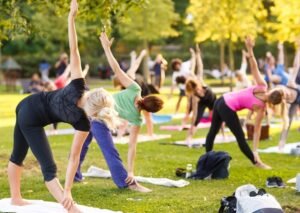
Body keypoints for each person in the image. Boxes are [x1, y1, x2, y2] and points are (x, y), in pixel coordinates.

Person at [7, 1, 117, 212]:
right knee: (49, 169)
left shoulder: (79, 86)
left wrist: (71, 17)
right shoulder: (83, 119)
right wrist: (67, 193)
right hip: (31, 114)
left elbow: (74, 48)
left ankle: (16, 198)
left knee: (18, 155)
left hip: (29, 105)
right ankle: (70, 209)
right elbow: (73, 158)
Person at [75, 32, 164, 192]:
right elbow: (132, 147)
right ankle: (127, 183)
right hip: (96, 114)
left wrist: (107, 48)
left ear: (148, 96)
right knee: (109, 151)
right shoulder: (137, 119)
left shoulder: (135, 88)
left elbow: (116, 69)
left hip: (91, 106)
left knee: (83, 144)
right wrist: (131, 171)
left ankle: (74, 175)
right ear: (149, 111)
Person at [205, 36, 284, 169]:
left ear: (272, 92)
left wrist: (250, 49)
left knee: (213, 131)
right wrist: (255, 150)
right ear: (272, 103)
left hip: (220, 100)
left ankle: (207, 160)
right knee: (240, 137)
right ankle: (257, 163)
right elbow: (257, 131)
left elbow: (254, 67)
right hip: (227, 106)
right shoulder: (261, 108)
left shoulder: (262, 86)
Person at [184, 45, 223, 147]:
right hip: (203, 102)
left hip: (212, 99)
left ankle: (223, 134)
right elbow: (195, 113)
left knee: (219, 115)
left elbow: (200, 67)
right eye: (194, 91)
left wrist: (198, 54)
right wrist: (193, 122)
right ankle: (189, 138)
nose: (197, 91)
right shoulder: (195, 97)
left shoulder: (200, 81)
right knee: (196, 121)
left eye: (196, 89)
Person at [276, 41, 300, 150]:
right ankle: (282, 142)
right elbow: (286, 120)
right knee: (289, 120)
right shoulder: (285, 100)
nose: (287, 94)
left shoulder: (291, 83)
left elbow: (296, 65)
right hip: (296, 100)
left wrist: (298, 49)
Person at [169, 48, 196, 113]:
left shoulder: (185, 65)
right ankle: (176, 112)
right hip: (182, 88)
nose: (177, 66)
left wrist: (192, 53)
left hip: (189, 87)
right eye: (175, 66)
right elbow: (173, 84)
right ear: (174, 67)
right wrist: (171, 94)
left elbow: (192, 60)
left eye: (177, 64)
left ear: (179, 63)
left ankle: (188, 112)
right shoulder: (175, 74)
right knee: (180, 99)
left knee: (189, 100)